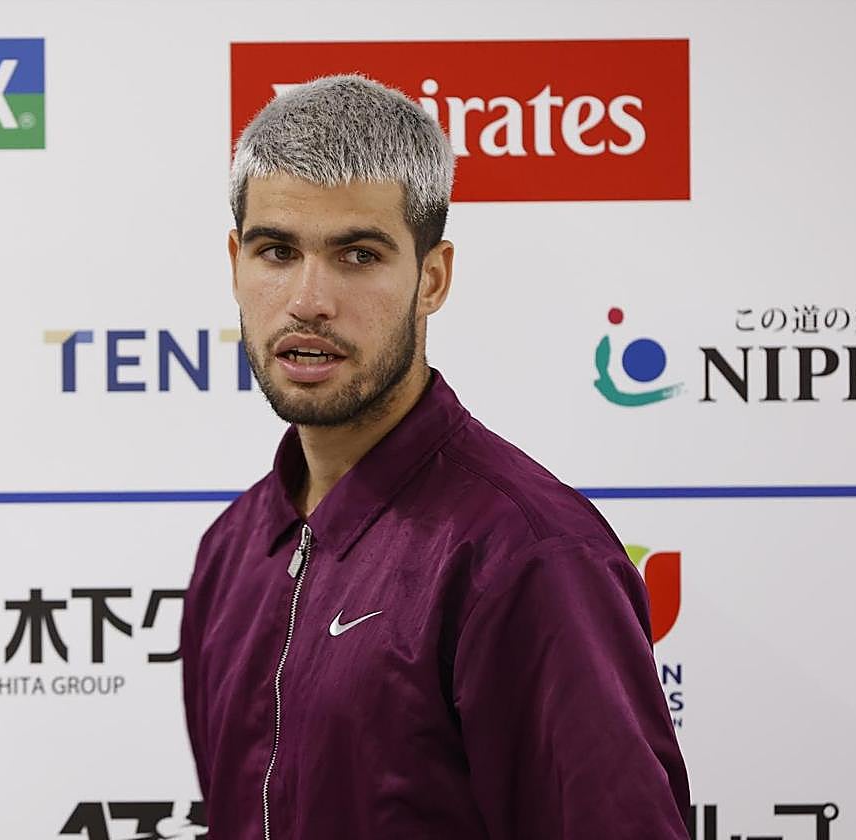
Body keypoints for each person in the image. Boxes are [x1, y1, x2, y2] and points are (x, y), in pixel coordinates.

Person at [180, 73, 690, 839]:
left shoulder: (527, 557)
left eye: (357, 255)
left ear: (434, 278)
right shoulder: (229, 551)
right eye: (277, 251)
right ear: (235, 264)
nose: (308, 298)